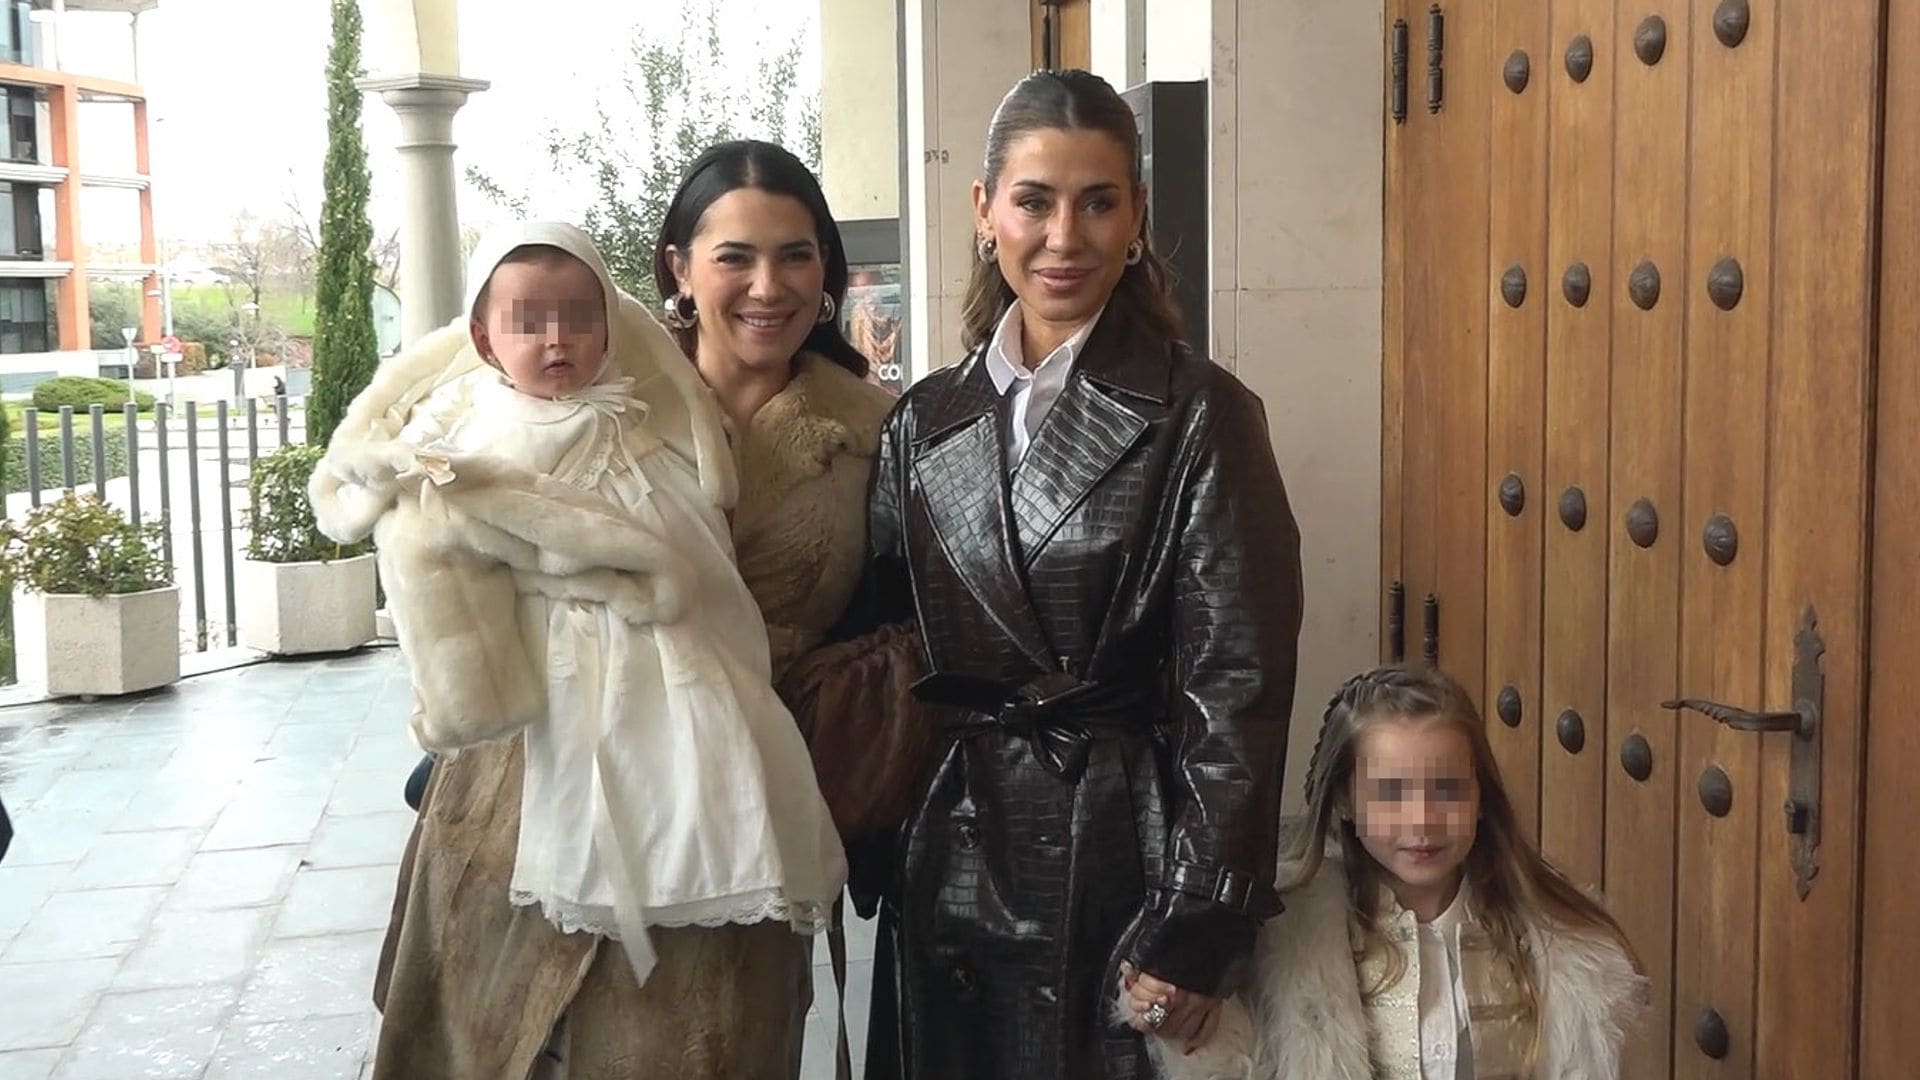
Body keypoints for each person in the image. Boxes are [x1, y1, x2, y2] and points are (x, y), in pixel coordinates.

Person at [320, 141, 926, 1080]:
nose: (768, 286)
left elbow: (894, 629)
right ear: (678, 268)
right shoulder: (570, 379)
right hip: (516, 809)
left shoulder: (877, 432)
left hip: (719, 830)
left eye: (797, 256)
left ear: (828, 273)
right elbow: (428, 506)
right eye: (734, 257)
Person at [849, 69, 1305, 1079]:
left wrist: (1200, 920)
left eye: (1098, 201)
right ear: (984, 212)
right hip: (951, 844)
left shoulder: (1202, 413)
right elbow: (880, 648)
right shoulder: (923, 420)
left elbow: (1237, 687)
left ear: (1138, 215)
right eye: (1034, 200)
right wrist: (876, 839)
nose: (1065, 236)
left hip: (1121, 856)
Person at [1139, 666, 1646, 1080]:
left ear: (1481, 797)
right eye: (1391, 793)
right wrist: (1169, 1009)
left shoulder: (1560, 945)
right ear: (1344, 800)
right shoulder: (1283, 939)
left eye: (1447, 790)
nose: (1422, 820)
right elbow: (1227, 1064)